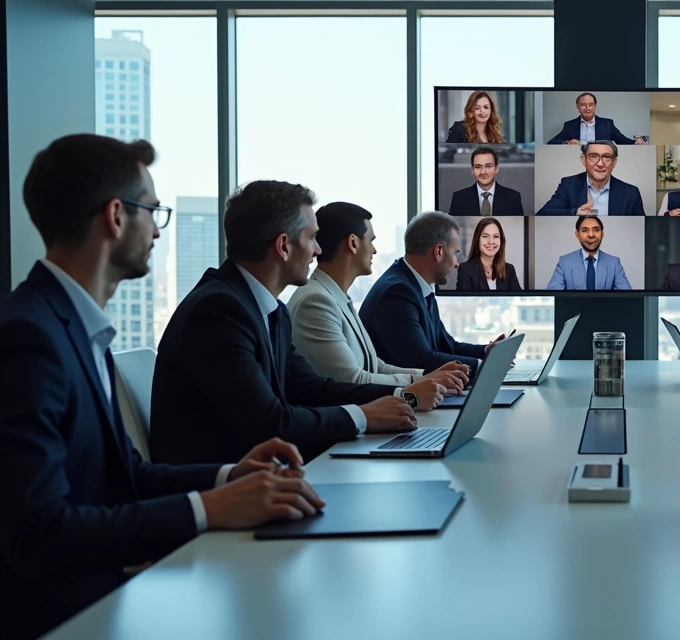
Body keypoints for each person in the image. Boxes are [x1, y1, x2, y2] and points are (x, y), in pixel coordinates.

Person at [1, 134, 324, 640]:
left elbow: (125, 474)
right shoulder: (30, 338)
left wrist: (228, 477)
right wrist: (208, 509)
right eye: (152, 210)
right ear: (114, 216)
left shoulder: (73, 326)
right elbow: (39, 536)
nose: (157, 227)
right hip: (70, 618)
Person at [151, 181, 419, 466]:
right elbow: (270, 422)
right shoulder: (218, 311)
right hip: (225, 490)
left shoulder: (270, 310)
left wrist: (401, 395)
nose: (318, 250)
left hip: (267, 474)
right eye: (312, 238)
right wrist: (364, 416)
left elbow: (312, 388)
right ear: (283, 246)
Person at [286, 201, 471, 409]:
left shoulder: (336, 297)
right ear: (353, 243)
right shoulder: (316, 302)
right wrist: (417, 385)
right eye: (371, 240)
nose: (374, 250)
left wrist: (428, 376)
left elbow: (376, 366)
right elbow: (352, 380)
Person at [360, 211, 505, 375]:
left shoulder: (416, 286)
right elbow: (422, 361)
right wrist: (483, 367)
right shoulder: (397, 293)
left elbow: (446, 345)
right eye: (455, 253)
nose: (457, 264)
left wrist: (486, 352)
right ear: (438, 251)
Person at [536, 140, 645, 216]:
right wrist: (575, 213)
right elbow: (542, 214)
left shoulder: (631, 193)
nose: (600, 163)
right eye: (593, 156)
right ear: (583, 160)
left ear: (614, 162)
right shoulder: (568, 185)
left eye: (606, 157)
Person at [547, 215, 631, 290]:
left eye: (596, 230)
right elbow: (553, 295)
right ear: (577, 235)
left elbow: (627, 297)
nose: (591, 235)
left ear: (602, 234)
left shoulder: (614, 263)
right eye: (584, 230)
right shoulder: (564, 262)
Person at [447, 147, 525, 216]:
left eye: (488, 166)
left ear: (496, 168)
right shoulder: (459, 198)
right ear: (472, 170)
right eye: (478, 167)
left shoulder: (513, 198)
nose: (483, 172)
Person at [547, 92, 645, 145]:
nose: (587, 108)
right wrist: (568, 142)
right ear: (577, 107)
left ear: (595, 106)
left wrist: (635, 142)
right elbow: (551, 143)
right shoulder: (569, 125)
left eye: (590, 104)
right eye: (583, 105)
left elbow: (623, 140)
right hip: (576, 161)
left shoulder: (607, 124)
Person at [457, 217, 523, 291]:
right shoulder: (466, 269)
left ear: (501, 240)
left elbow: (518, 297)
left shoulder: (509, 269)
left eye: (496, 236)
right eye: (485, 236)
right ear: (477, 239)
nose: (491, 242)